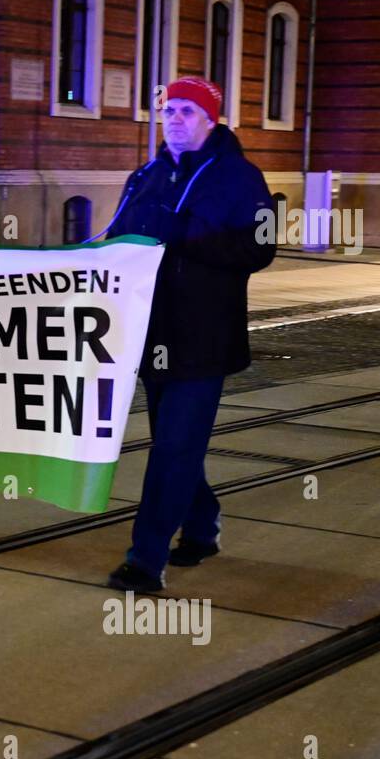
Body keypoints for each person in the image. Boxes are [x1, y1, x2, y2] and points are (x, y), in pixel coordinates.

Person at [104, 77, 276, 593]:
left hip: (205, 337)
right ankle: (201, 527)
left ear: (210, 119)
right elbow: (118, 242)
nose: (175, 119)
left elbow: (261, 248)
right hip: (153, 335)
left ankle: (145, 560)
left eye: (187, 111)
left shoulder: (241, 179)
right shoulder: (145, 176)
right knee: (173, 444)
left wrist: (186, 236)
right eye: (169, 110)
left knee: (175, 448)